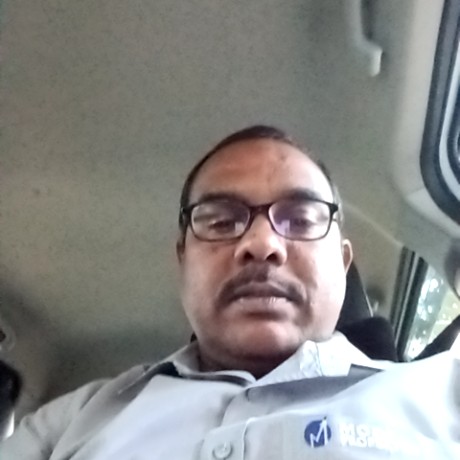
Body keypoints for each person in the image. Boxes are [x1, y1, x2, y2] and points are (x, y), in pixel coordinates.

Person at [2, 125, 459, 459]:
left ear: (342, 264)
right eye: (221, 221)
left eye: (300, 220)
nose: (261, 244)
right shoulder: (73, 420)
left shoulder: (442, 396)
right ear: (183, 260)